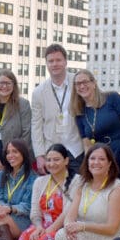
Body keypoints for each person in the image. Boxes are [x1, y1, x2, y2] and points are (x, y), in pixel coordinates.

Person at [71, 69, 120, 189]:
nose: (82, 86)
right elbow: (87, 145)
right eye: (78, 84)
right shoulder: (79, 113)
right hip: (106, 159)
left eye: (85, 82)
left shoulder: (112, 98)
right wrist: (88, 168)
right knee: (112, 194)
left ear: (94, 83)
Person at [17, 144, 75, 240]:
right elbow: (35, 211)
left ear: (66, 160)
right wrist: (37, 226)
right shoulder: (40, 181)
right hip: (42, 225)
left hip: (62, 227)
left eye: (56, 159)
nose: (52, 164)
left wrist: (49, 230)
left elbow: (68, 212)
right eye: (48, 160)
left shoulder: (76, 181)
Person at [31, 43, 83, 175]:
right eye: (51, 61)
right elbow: (36, 125)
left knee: (76, 192)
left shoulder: (78, 81)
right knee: (54, 193)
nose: (55, 64)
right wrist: (39, 155)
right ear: (46, 64)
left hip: (77, 150)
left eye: (58, 60)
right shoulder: (38, 92)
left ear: (65, 62)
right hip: (52, 153)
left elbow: (102, 98)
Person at [0, 139, 34, 240]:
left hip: (22, 219)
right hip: (2, 215)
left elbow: (29, 206)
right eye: (8, 152)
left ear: (23, 153)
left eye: (15, 151)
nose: (10, 155)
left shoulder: (32, 178)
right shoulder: (2, 174)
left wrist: (9, 209)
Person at [0, 70, 32, 170]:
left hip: (18, 157)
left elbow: (27, 133)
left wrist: (13, 156)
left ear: (14, 85)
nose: (4, 86)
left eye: (8, 83)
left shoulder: (23, 105)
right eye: (1, 83)